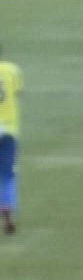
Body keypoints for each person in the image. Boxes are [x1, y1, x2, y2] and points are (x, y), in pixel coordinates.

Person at [0, 42, 19, 235]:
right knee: (6, 174)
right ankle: (7, 212)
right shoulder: (12, 69)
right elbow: (18, 91)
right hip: (9, 129)